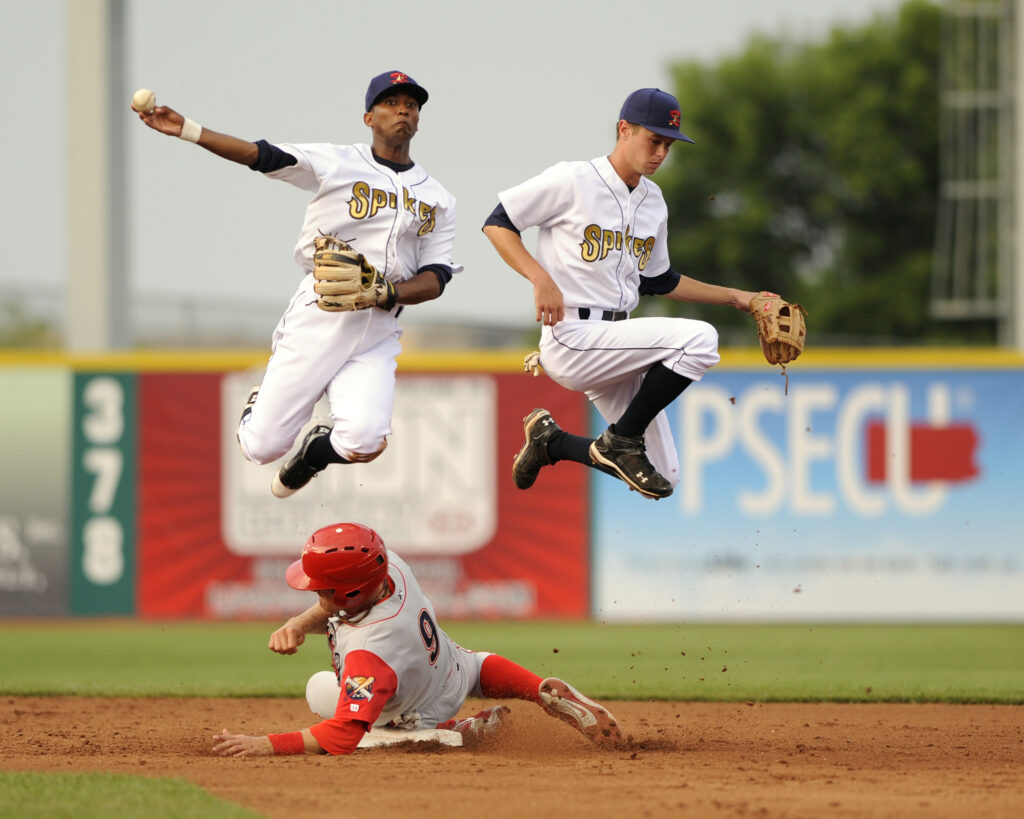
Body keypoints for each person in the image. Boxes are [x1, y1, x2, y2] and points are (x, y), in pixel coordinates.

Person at [133, 71, 459, 498]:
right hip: (321, 313)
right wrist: (191, 131)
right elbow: (262, 155)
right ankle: (258, 405)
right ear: (368, 117)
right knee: (260, 447)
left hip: (379, 327)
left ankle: (314, 455)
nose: (402, 110)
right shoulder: (338, 161)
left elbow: (437, 277)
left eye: (411, 105)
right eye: (391, 102)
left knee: (364, 441)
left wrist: (389, 292)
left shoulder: (438, 197)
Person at [482, 87, 771, 500]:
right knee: (701, 340)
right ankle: (622, 441)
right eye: (654, 140)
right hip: (572, 336)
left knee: (664, 479)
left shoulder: (653, 201)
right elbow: (498, 223)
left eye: (668, 145)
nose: (661, 153)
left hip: (616, 344)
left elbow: (660, 281)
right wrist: (538, 277)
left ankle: (552, 442)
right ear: (624, 130)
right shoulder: (573, 179)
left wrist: (741, 298)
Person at [211, 522, 623, 757]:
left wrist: (266, 744)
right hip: (448, 665)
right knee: (476, 665)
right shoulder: (390, 568)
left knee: (322, 693)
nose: (313, 594)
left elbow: (342, 735)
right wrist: (300, 623)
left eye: (321, 589)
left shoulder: (368, 654)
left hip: (412, 706)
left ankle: (454, 729)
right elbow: (339, 606)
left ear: (351, 592)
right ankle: (537, 689)